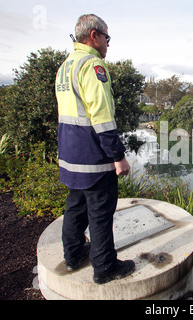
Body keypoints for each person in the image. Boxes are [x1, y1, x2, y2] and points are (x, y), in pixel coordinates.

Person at [55, 14, 135, 284]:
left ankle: (74, 255)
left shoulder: (66, 66)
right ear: (94, 35)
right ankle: (105, 268)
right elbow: (101, 117)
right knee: (100, 213)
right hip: (93, 157)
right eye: (107, 38)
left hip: (70, 156)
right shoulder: (93, 66)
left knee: (75, 207)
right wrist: (118, 156)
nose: (108, 44)